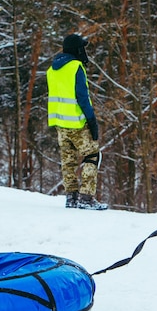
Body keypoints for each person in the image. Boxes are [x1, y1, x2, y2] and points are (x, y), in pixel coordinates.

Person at [47, 33, 108, 210]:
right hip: (77, 123)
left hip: (59, 123)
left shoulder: (52, 70)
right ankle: (86, 197)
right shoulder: (76, 67)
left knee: (68, 160)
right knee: (92, 155)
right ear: (76, 49)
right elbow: (82, 96)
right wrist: (92, 121)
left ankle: (71, 197)